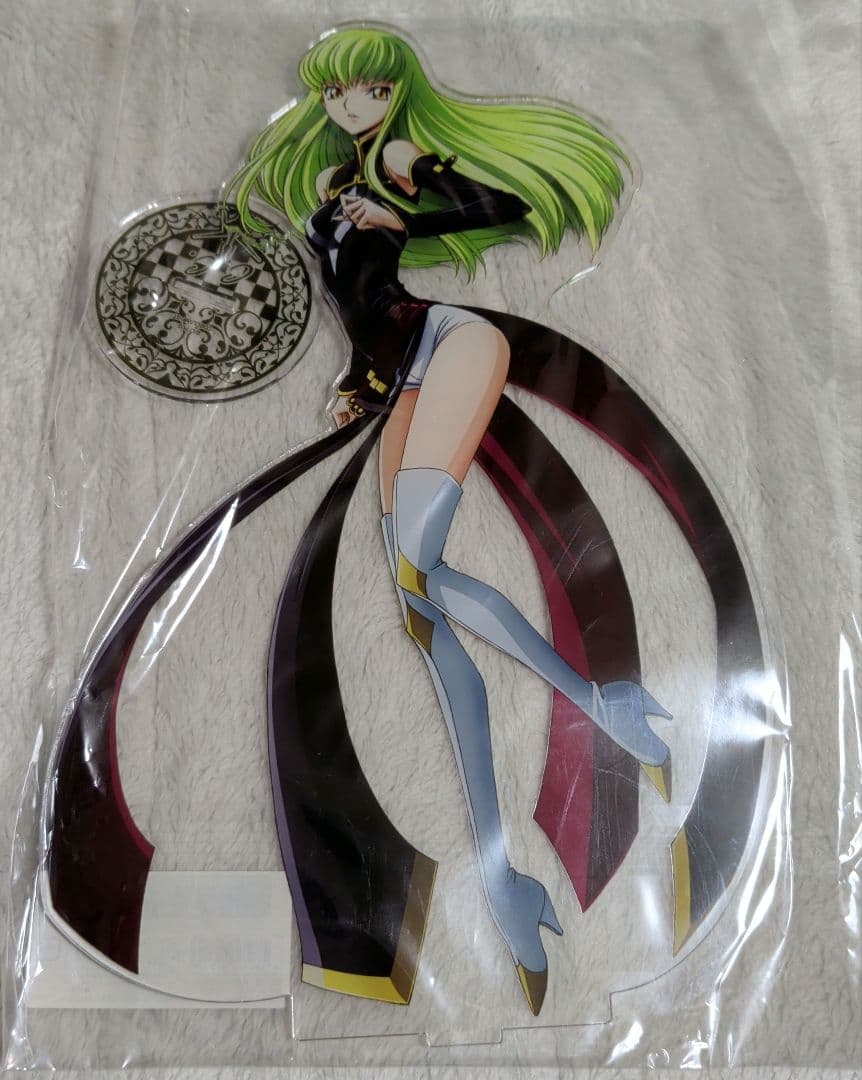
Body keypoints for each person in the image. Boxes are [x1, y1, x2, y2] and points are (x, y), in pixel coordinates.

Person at [229, 26, 670, 1014]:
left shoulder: (394, 156)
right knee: (420, 619)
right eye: (335, 93)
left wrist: (409, 195)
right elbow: (354, 298)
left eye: (367, 87)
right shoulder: (330, 181)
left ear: (396, 92)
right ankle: (502, 873)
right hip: (398, 372)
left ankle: (599, 705)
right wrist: (357, 376)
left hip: (449, 342)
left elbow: (497, 208)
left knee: (419, 576)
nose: (349, 105)